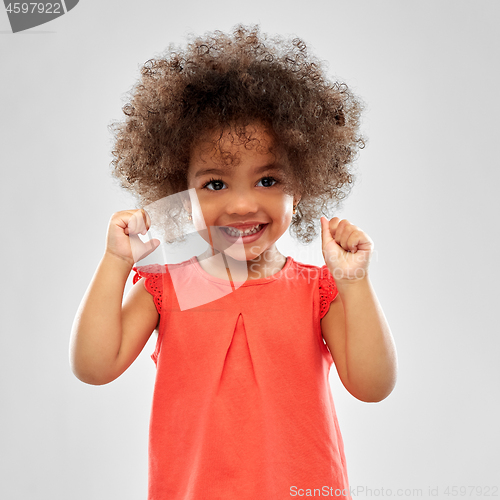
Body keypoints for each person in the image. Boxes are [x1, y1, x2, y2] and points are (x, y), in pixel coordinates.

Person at [70, 24, 397, 500]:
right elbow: (93, 366)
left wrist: (355, 284)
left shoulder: (316, 290)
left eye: (267, 180)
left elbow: (373, 385)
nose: (243, 205)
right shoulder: (171, 287)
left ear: (300, 185)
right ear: (179, 194)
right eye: (216, 184)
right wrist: (115, 262)